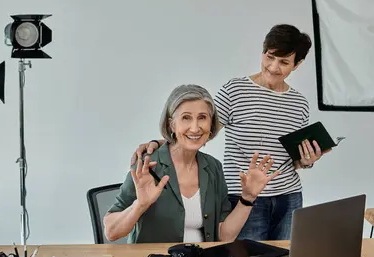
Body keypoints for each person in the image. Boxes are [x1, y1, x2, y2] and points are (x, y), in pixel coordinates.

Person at [131, 24, 327, 241]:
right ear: (263, 52)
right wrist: (160, 143)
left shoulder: (299, 103)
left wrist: (308, 160)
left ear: (297, 64)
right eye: (270, 57)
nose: (273, 67)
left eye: (284, 62)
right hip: (244, 196)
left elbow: (294, 160)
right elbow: (199, 131)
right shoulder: (235, 91)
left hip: (289, 197)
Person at [104, 84, 281, 243]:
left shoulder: (213, 168)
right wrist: (139, 206)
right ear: (172, 124)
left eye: (202, 117)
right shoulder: (148, 165)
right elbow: (111, 232)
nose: (195, 128)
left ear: (211, 124)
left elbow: (224, 236)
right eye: (186, 118)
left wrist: (248, 197)